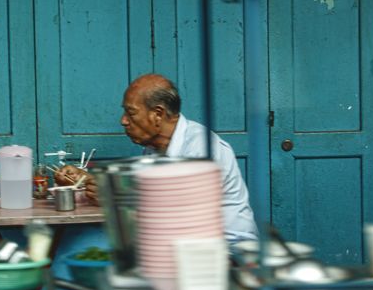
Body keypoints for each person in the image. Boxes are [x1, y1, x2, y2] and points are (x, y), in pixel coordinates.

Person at [86, 73, 258, 243]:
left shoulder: (202, 148)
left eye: (130, 113)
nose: (123, 121)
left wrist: (113, 199)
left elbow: (179, 215)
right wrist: (93, 182)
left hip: (227, 249)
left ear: (158, 114)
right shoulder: (153, 148)